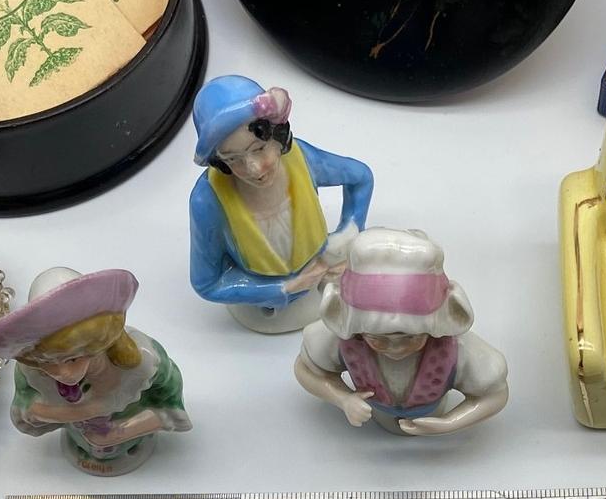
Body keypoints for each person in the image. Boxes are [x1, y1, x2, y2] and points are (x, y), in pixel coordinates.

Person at [188, 75, 374, 332]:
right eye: (234, 159)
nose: (253, 168)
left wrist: (349, 233)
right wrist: (281, 289)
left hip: (323, 280)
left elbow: (360, 177)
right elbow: (206, 283)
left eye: (259, 149)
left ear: (277, 136)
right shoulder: (207, 200)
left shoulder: (302, 159)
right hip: (263, 307)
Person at [295, 228, 508, 437]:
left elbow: (495, 394)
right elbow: (306, 369)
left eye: (411, 338)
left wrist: (449, 423)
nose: (395, 348)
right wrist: (343, 399)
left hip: (432, 414)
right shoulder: (341, 341)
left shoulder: (458, 350)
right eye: (379, 339)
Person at [0, 267, 190, 476]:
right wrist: (75, 412)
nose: (63, 373)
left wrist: (121, 432)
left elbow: (171, 407)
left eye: (73, 359)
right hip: (77, 443)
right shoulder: (32, 372)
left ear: (97, 343)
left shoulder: (144, 363)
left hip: (133, 444)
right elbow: (24, 414)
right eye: (49, 362)